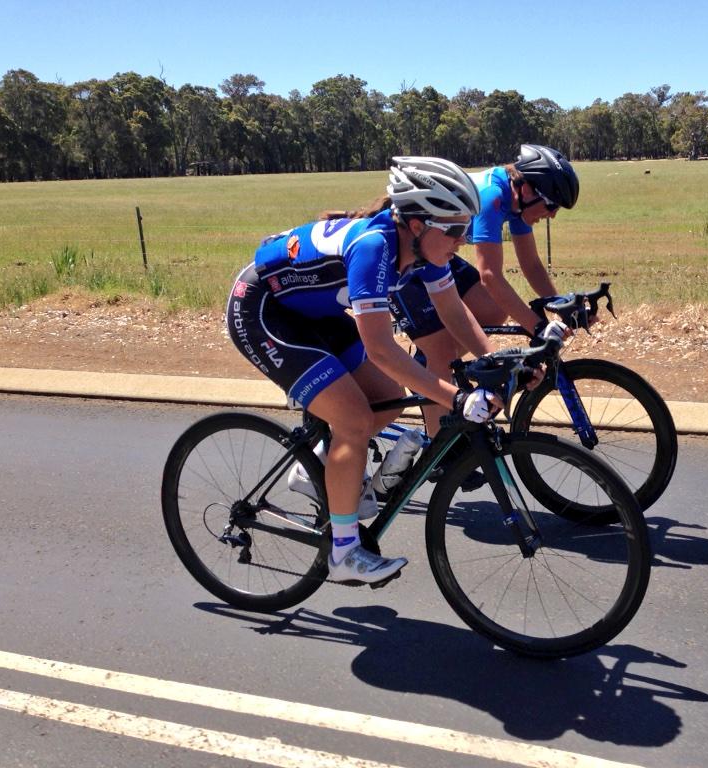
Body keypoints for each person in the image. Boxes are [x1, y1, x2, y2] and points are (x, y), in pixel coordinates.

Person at [226, 157, 500, 587]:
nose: (462, 240)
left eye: (466, 228)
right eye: (454, 230)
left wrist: (493, 362)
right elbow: (382, 349)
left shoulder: (426, 249)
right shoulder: (374, 248)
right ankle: (343, 553)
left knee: (387, 401)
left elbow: (454, 312)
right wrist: (457, 398)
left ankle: (317, 466)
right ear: (417, 224)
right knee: (353, 419)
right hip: (264, 312)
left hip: (315, 314)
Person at [388, 144, 580, 436]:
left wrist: (558, 307)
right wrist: (539, 327)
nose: (552, 215)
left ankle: (434, 364)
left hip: (437, 251)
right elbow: (490, 275)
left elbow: (531, 265)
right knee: (441, 353)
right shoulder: (493, 197)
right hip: (407, 253)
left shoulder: (518, 203)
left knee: (493, 309)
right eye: (552, 205)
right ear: (527, 189)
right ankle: (437, 433)